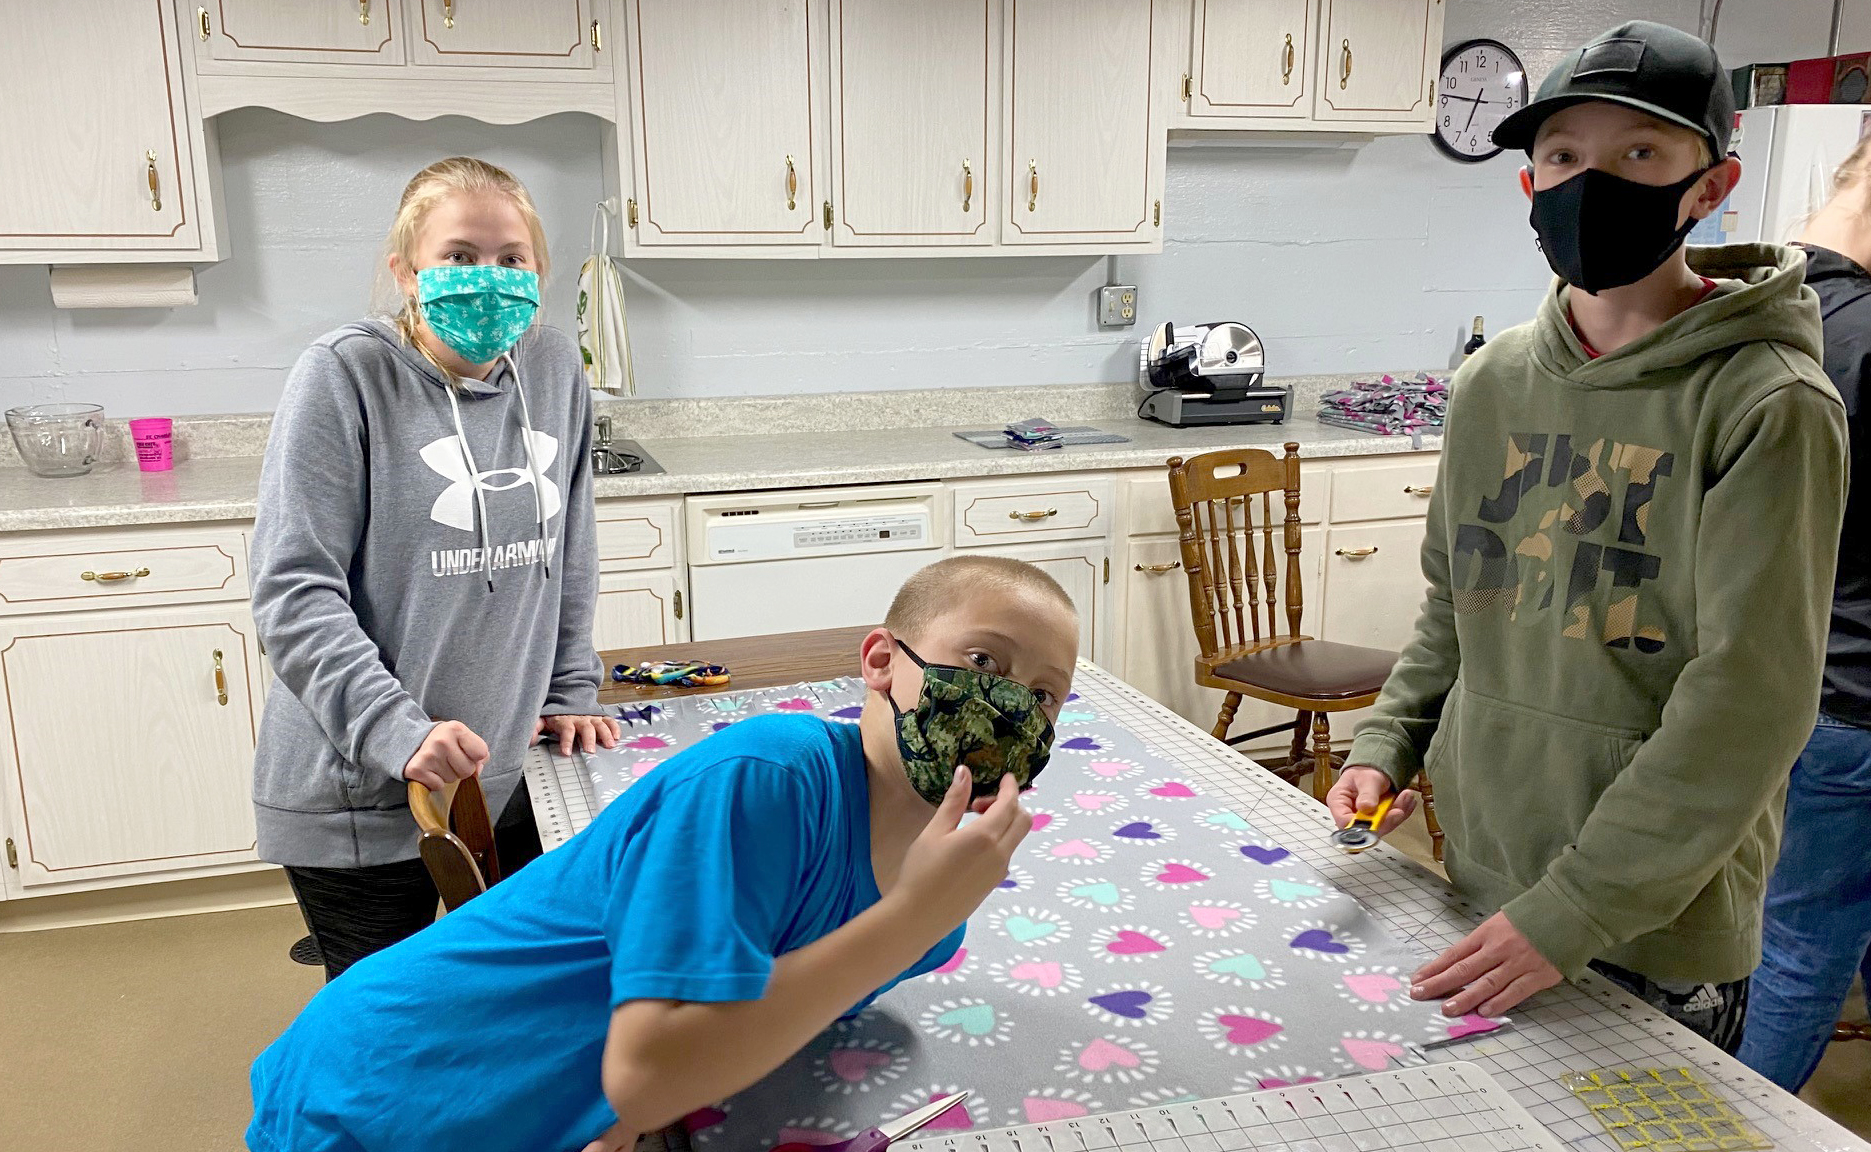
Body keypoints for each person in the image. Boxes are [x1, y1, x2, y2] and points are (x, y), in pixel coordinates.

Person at [1325, 21, 1848, 1052]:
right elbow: (1454, 601)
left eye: (1638, 155)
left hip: (1654, 918)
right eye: (1563, 156)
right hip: (1482, 871)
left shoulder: (1768, 402)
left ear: (1708, 186)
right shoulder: (1489, 383)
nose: (1589, 182)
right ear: (1527, 185)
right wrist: (1387, 744)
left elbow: (1750, 700)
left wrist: (1576, 908)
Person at [245, 555, 1075, 1152]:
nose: (1009, 705)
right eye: (980, 661)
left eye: (1042, 694)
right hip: (387, 1092)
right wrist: (907, 919)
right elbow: (651, 1073)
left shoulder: (934, 918)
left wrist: (630, 1118)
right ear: (881, 662)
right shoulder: (765, 778)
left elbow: (734, 1026)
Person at [250, 156, 621, 982]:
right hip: (361, 788)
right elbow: (293, 591)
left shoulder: (555, 368)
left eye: (510, 257)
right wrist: (399, 733)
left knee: (529, 996)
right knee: (395, 1033)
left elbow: (570, 554)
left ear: (538, 271)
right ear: (405, 270)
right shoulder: (344, 374)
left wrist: (569, 688)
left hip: (508, 776)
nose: (486, 278)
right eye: (458, 256)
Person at [1736, 137, 1871, 1089]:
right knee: (1802, 949)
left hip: (1776, 684)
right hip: (1851, 700)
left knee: (1795, 936)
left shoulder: (1753, 315)